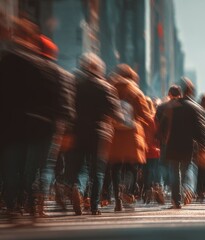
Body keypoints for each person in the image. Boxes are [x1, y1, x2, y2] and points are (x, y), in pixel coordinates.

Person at [0, 19, 74, 217]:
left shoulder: (5, 60)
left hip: (10, 124)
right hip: (41, 125)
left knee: (11, 165)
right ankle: (33, 201)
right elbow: (61, 99)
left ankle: (12, 203)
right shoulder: (47, 66)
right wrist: (64, 127)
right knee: (36, 167)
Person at [71, 53, 122, 215]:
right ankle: (94, 206)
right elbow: (117, 114)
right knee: (97, 171)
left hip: (79, 130)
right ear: (99, 69)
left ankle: (77, 189)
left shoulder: (76, 85)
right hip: (100, 133)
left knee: (80, 167)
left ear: (85, 67)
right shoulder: (106, 87)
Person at [159, 78, 205, 209]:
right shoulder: (196, 108)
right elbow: (201, 129)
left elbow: (163, 125)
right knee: (187, 169)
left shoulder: (171, 106)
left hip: (172, 144)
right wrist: (203, 146)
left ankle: (176, 200)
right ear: (192, 91)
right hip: (188, 144)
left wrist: (161, 138)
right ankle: (187, 188)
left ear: (181, 91)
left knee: (174, 172)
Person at [107, 64, 152, 211]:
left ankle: (117, 197)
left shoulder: (109, 88)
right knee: (131, 167)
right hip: (131, 136)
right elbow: (146, 116)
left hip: (113, 135)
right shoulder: (136, 92)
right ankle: (126, 190)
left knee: (115, 168)